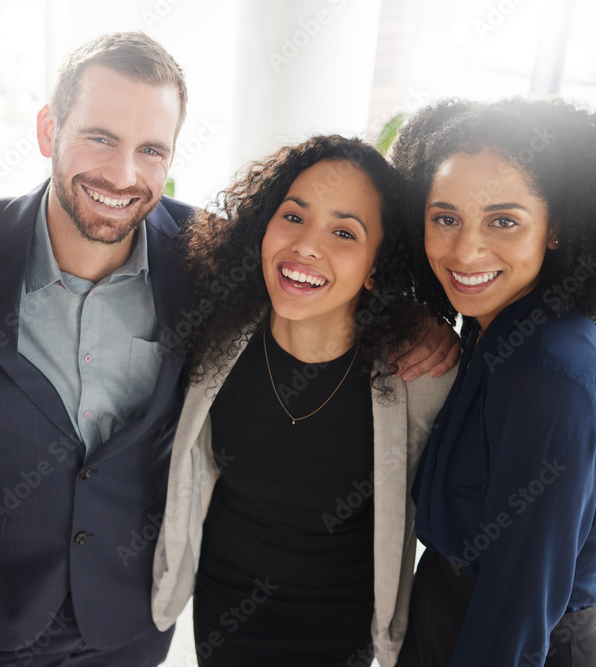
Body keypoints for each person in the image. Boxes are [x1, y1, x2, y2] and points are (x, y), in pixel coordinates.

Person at [0, 33, 455, 666]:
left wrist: (415, 320)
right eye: (100, 138)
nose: (123, 173)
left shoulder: (211, 259)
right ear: (47, 131)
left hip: (132, 625)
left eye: (150, 149)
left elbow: (321, 270)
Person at [151, 135, 457, 666]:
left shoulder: (417, 373)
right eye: (293, 217)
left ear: (376, 266)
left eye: (343, 232)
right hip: (226, 611)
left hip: (342, 624)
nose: (307, 246)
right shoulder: (214, 336)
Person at [391, 98, 596, 665]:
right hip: (445, 603)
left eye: (503, 221)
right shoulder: (493, 324)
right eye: (445, 218)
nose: (466, 250)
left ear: (556, 228)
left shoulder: (550, 377)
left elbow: (518, 606)